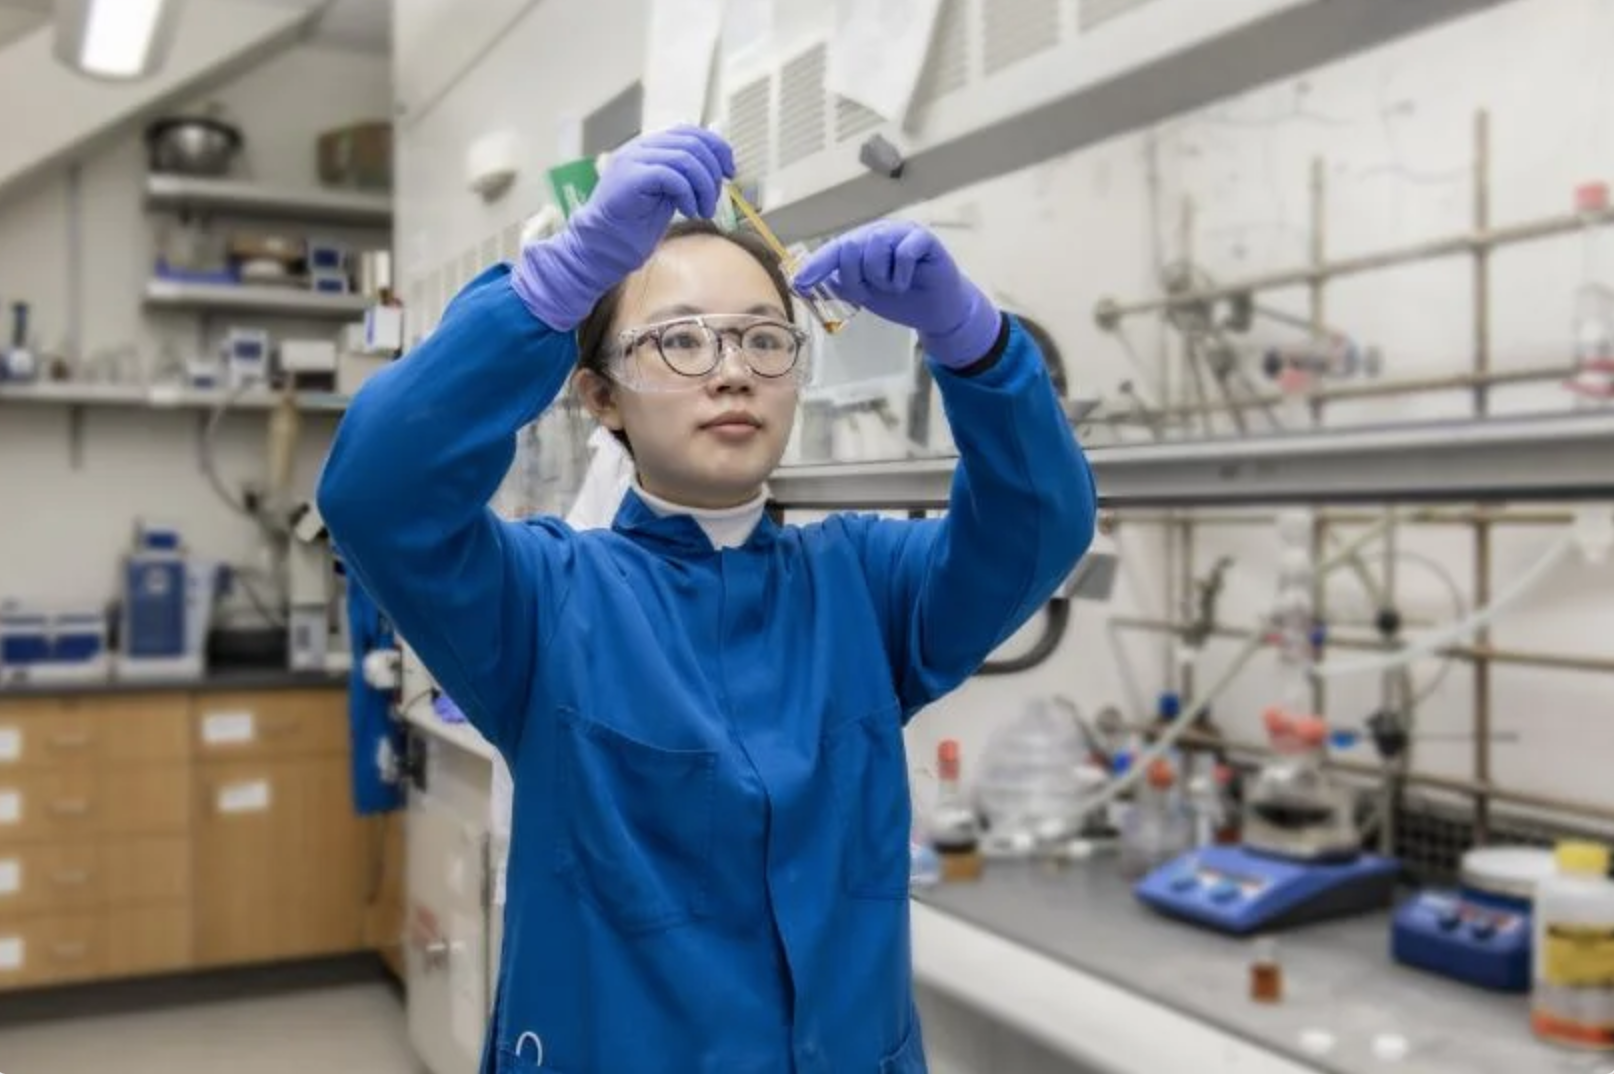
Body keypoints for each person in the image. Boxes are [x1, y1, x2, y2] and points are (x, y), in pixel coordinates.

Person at [318, 126, 1096, 1074]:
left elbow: (1039, 527)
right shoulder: (544, 602)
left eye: (765, 340)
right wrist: (557, 282)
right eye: (680, 341)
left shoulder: (865, 584)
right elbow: (377, 491)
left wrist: (975, 345)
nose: (732, 370)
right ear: (602, 398)